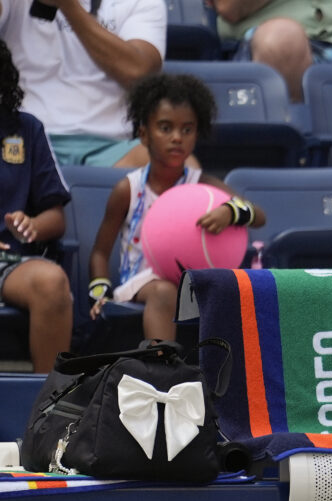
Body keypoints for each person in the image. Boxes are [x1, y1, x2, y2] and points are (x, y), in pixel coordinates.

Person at [89, 73, 266, 342]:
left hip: (195, 283)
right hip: (141, 282)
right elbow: (100, 252)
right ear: (144, 134)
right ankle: (163, 371)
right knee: (164, 292)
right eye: (165, 127)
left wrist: (230, 212)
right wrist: (100, 291)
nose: (177, 138)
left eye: (187, 129)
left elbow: (259, 216)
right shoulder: (128, 189)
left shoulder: (204, 186)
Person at [0, 0, 167, 168]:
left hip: (111, 146)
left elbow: (140, 74)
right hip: (23, 136)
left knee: (180, 168)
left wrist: (69, 6)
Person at [0, 38, 73, 373]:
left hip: (12, 262)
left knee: (52, 281)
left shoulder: (26, 129)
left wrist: (32, 225)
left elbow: (55, 217)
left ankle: (49, 413)